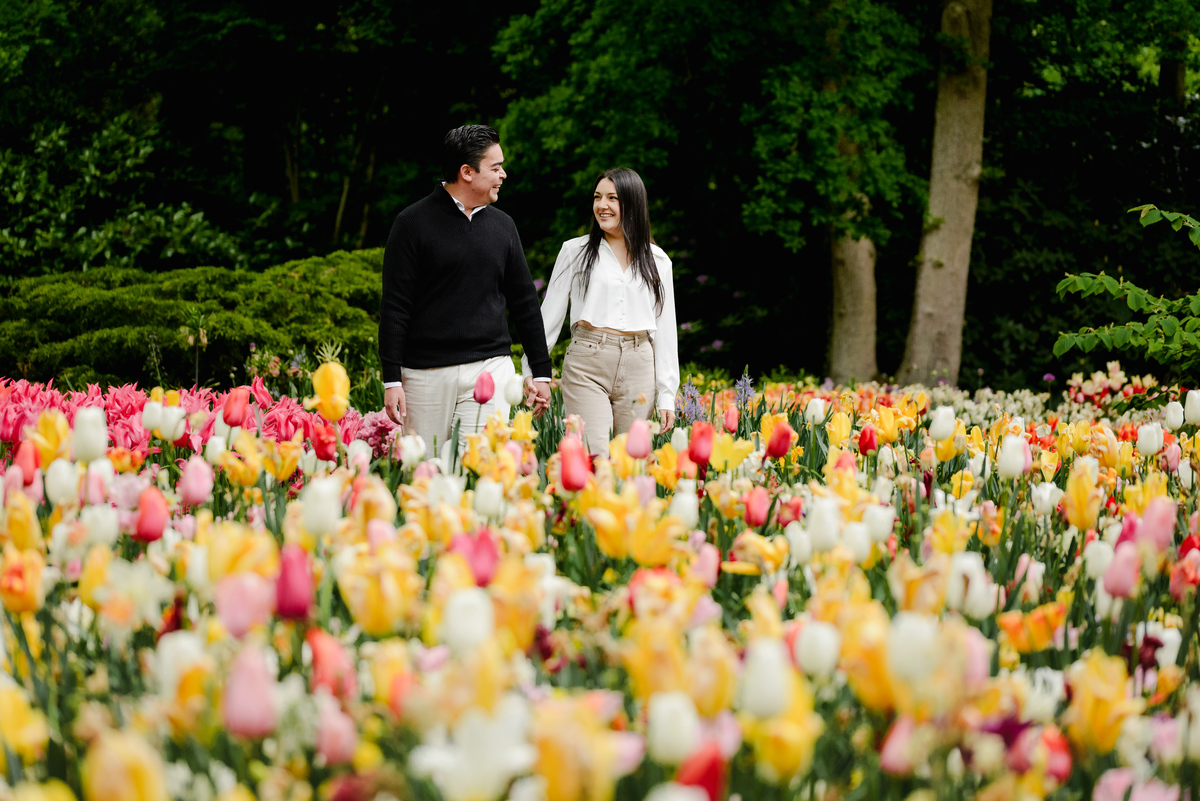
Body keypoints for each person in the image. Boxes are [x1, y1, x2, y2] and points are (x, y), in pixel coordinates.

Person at [380, 124, 553, 458]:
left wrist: (541, 371)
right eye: (496, 167)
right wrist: (392, 380)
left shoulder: (504, 227)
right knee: (425, 473)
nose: (503, 174)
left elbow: (525, 304)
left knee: (478, 468)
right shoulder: (411, 224)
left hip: (490, 368)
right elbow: (395, 307)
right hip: (425, 375)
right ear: (467, 172)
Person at [522, 167, 678, 454]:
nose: (601, 205)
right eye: (597, 197)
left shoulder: (658, 260)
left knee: (629, 463)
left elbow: (665, 332)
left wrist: (667, 395)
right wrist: (533, 370)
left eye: (612, 198)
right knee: (595, 457)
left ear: (632, 204)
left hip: (639, 365)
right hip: (587, 364)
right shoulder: (575, 251)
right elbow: (549, 318)